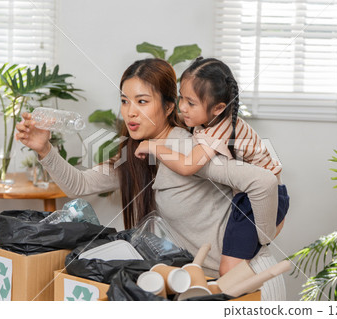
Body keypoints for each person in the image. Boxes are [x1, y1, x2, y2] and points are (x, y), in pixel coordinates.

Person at [15, 58, 286, 300]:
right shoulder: (138, 154)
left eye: (142, 101)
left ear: (170, 107)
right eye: (124, 101)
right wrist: (44, 149)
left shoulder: (188, 151)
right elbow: (80, 185)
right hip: (203, 286)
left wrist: (264, 238)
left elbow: (263, 182)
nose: (130, 112)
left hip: (248, 285)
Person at [135, 57, 289, 274]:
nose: (182, 108)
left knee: (228, 269)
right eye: (181, 98)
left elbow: (188, 166)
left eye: (191, 103)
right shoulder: (210, 120)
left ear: (218, 108)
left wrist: (153, 146)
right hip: (245, 195)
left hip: (260, 197)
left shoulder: (219, 130)